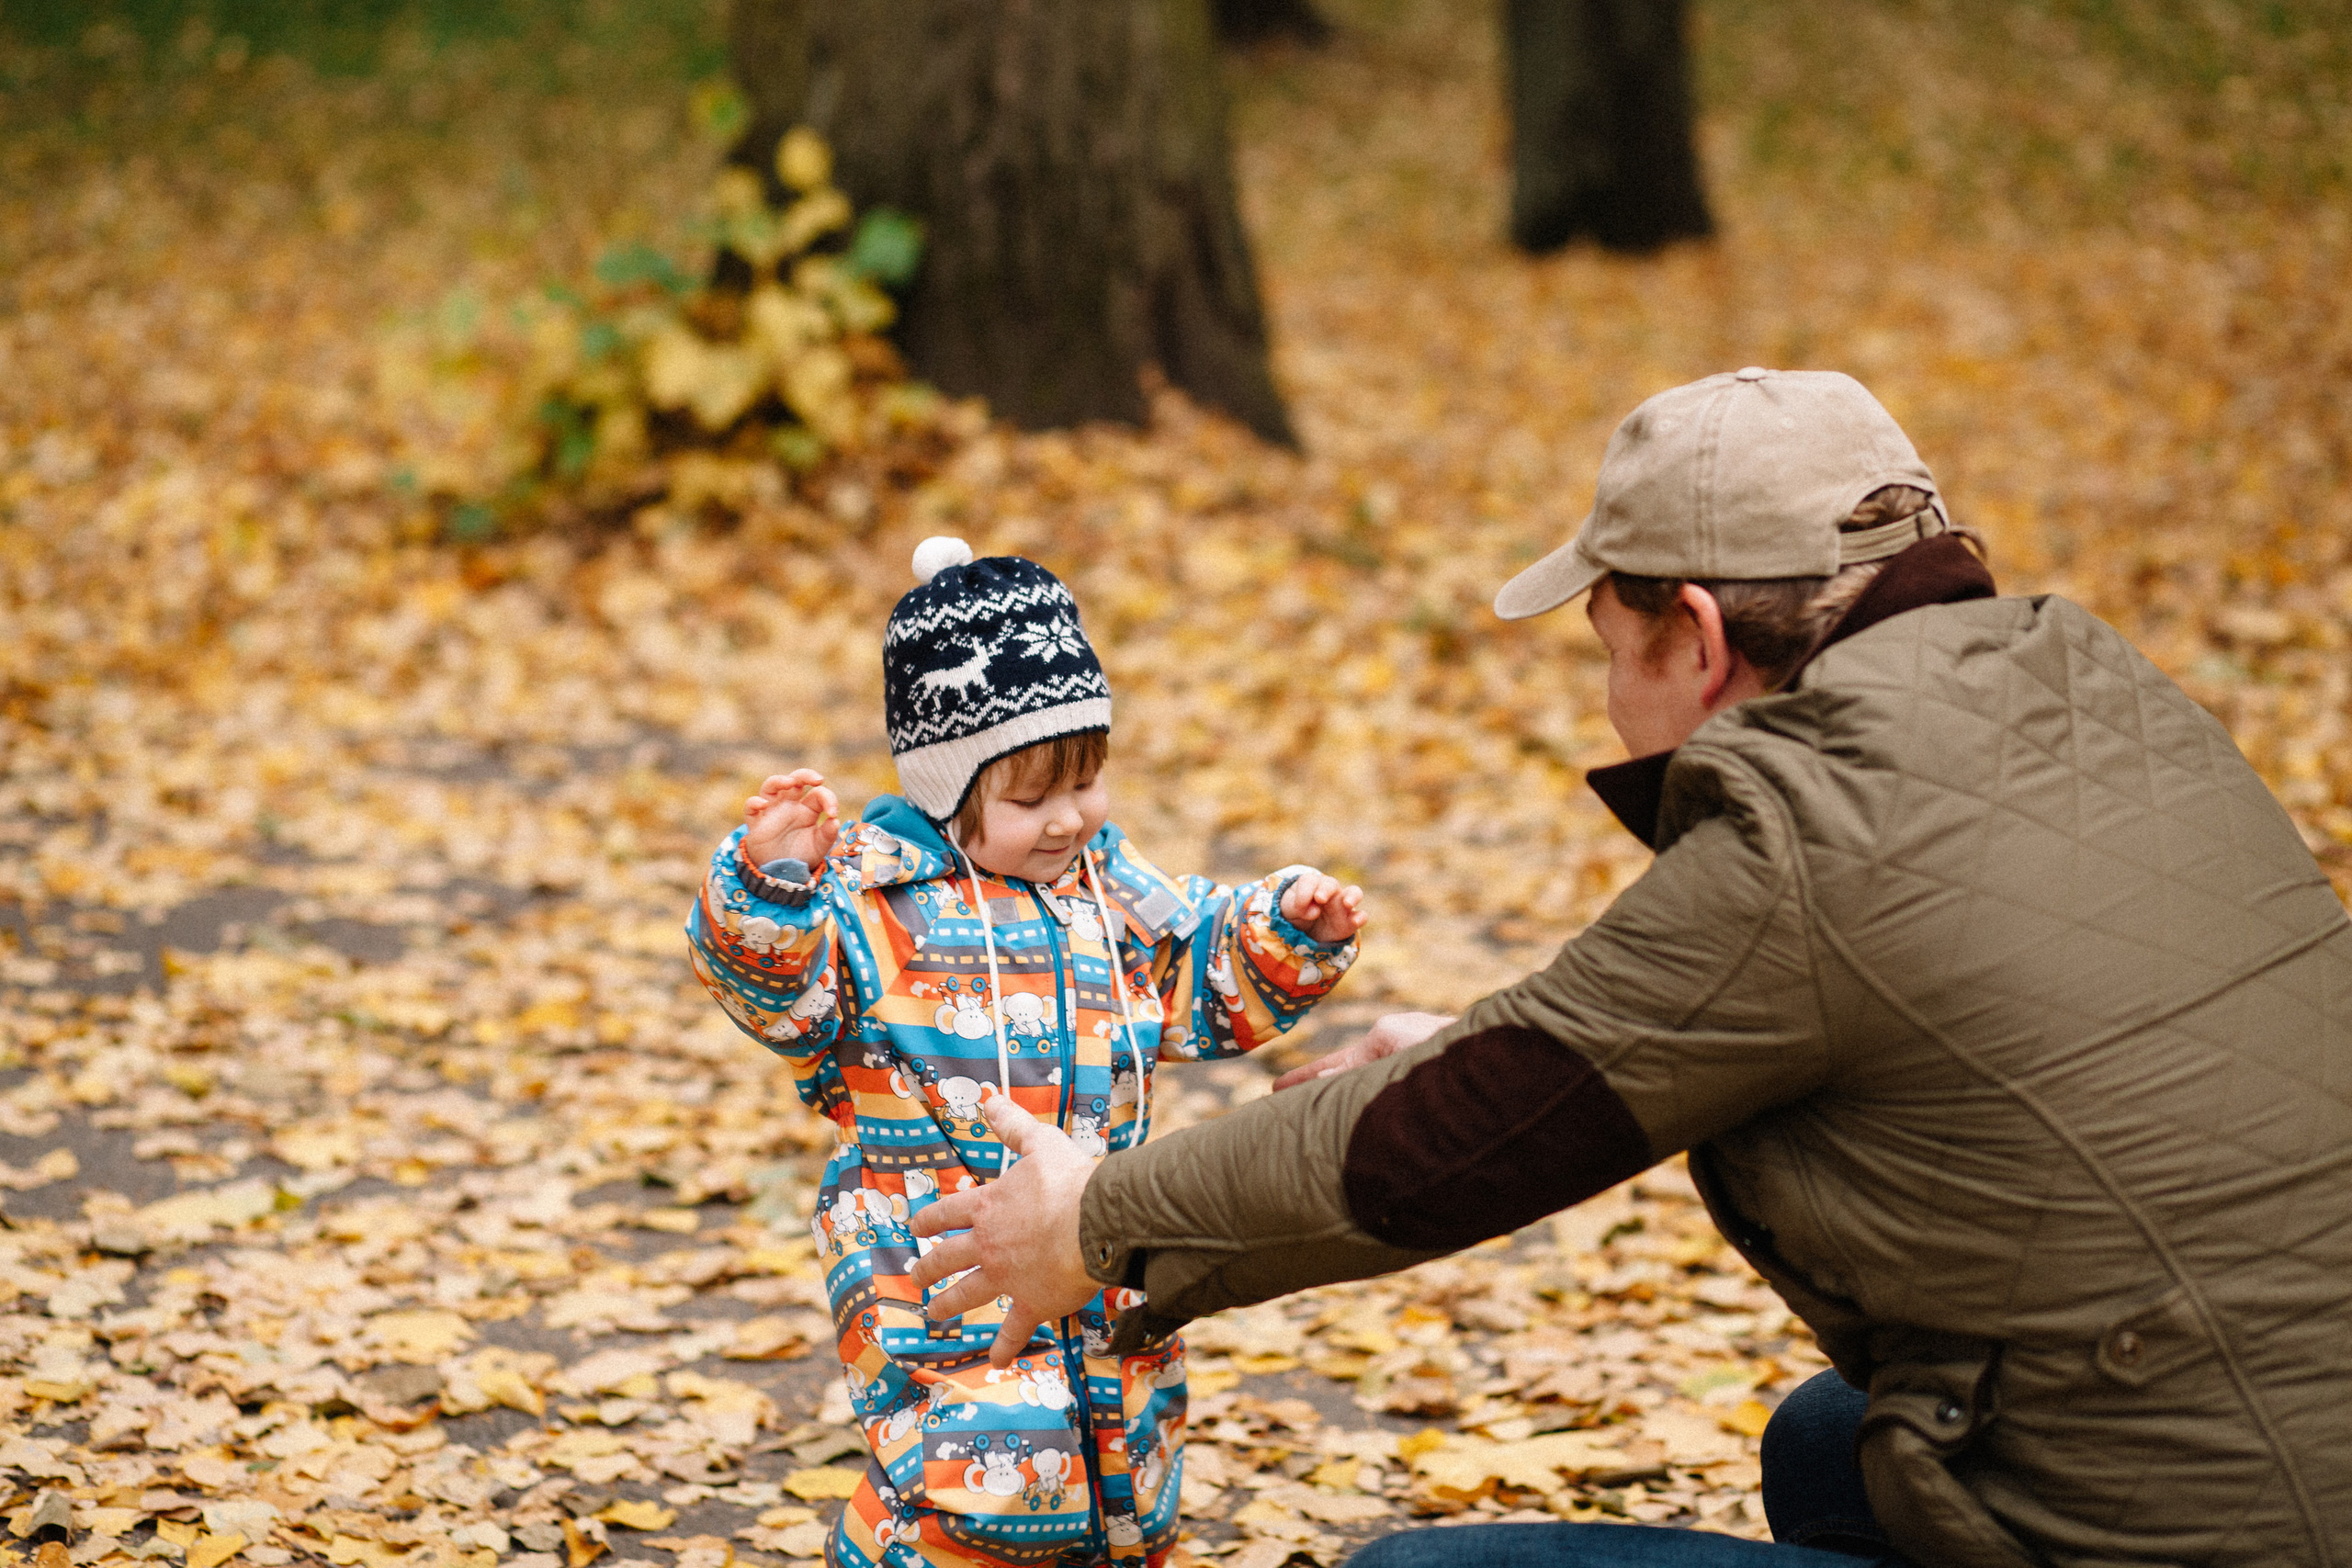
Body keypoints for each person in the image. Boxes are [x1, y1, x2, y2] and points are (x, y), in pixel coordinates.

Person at [908, 370, 2352, 1568]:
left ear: (1703, 637)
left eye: (1611, 646)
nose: (1608, 698)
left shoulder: (1816, 829)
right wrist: (1481, 1034)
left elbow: (1454, 1142)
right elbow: (1824, 1006)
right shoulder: (2097, 694)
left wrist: (1098, 1216)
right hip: (2277, 1463)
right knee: (1824, 1440)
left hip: (2187, 1531)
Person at [684, 539, 1367, 1568]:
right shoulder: (872, 910)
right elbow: (779, 993)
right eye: (1029, 797)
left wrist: (1288, 930)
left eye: (1085, 781)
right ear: (947, 789)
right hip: (936, 1272)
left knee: (1126, 1464)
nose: (1068, 818)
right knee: (960, 1490)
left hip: (1104, 1250)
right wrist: (769, 887)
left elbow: (1194, 983)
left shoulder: (1109, 891)